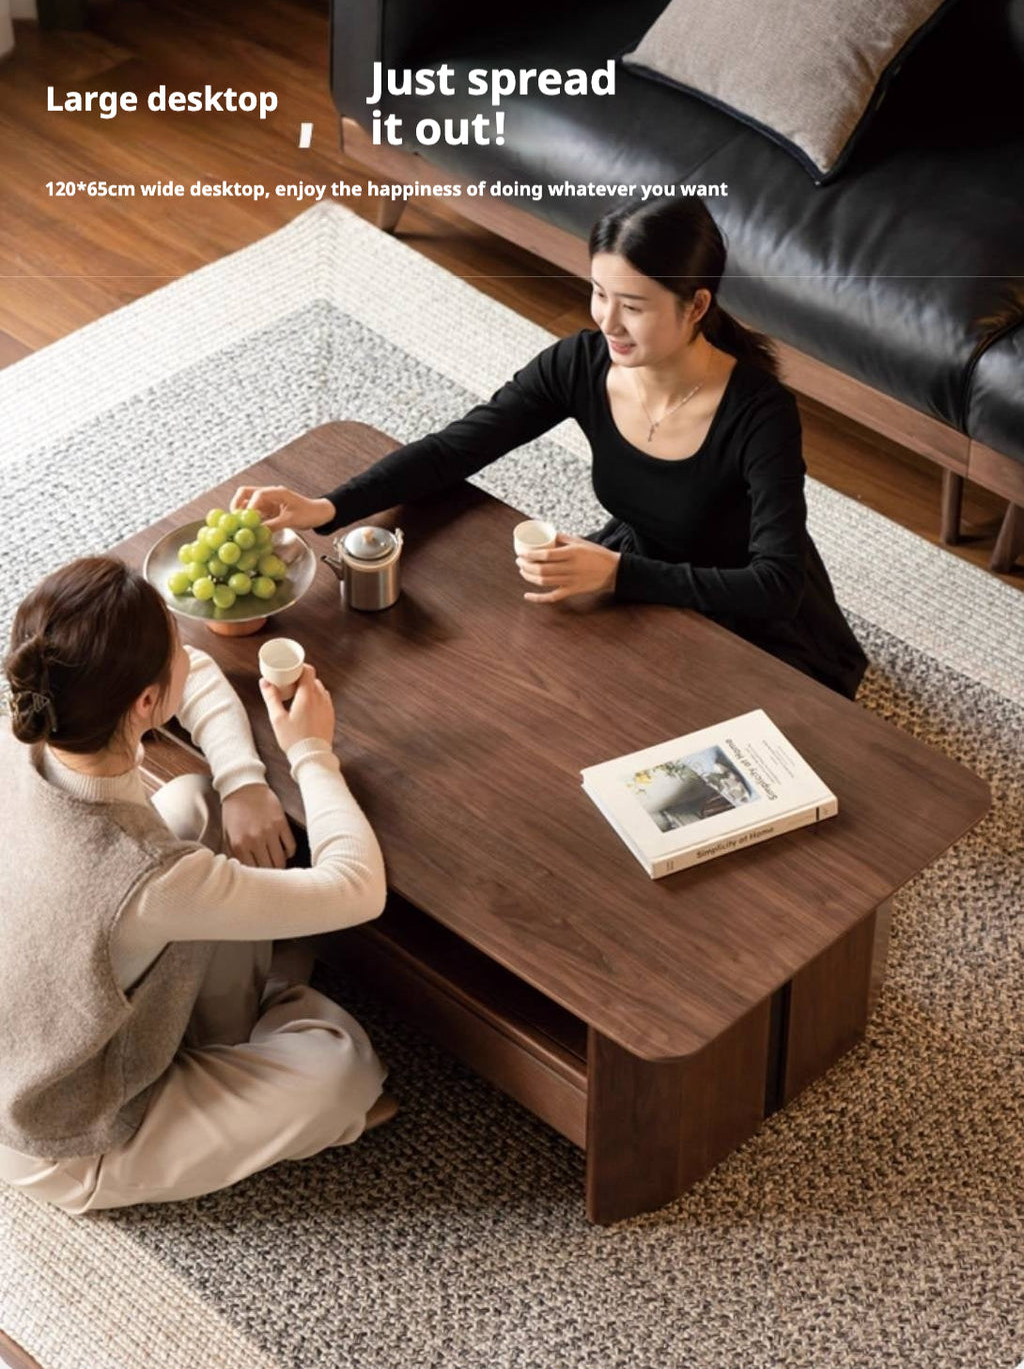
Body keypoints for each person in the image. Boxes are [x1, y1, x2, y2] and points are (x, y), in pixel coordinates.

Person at [233, 196, 867, 700]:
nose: (607, 322)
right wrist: (328, 506)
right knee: (536, 686)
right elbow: (458, 448)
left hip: (750, 613)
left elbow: (776, 584)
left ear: (696, 304)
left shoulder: (760, 412)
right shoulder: (581, 364)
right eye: (599, 292)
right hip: (640, 565)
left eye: (635, 306)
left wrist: (619, 573)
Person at [0, 556, 396, 1215]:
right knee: (342, 1076)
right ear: (147, 703)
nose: (193, 650)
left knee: (195, 798)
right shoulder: (146, 874)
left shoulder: (30, 717)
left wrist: (243, 781)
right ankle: (261, 1012)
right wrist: (310, 754)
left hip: (42, 1016)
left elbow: (200, 675)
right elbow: (359, 887)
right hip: (64, 1134)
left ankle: (236, 1013)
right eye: (178, 644)